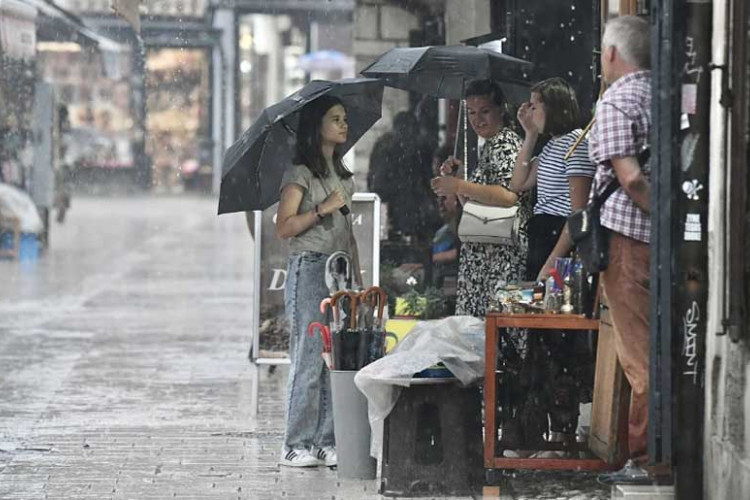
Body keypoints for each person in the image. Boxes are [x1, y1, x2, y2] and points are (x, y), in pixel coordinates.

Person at [586, 16, 659, 485]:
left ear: (612, 54)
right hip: (659, 246)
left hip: (630, 241)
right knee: (665, 347)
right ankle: (662, 451)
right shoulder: (665, 93)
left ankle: (650, 460)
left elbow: (629, 176)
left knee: (639, 357)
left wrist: (662, 220)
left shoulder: (617, 99)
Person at [506, 77, 597, 451]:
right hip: (541, 238)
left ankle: (563, 426)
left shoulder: (576, 145)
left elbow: (578, 213)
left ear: (554, 108)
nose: (530, 111)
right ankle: (541, 425)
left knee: (559, 338)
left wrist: (552, 262)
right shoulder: (553, 147)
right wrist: (528, 135)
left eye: (536, 105)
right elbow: (517, 183)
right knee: (539, 337)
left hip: (560, 246)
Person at [275, 95, 358, 468]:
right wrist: (322, 209)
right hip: (309, 266)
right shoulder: (300, 173)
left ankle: (325, 439)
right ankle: (296, 441)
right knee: (309, 354)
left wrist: (356, 274)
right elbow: (284, 227)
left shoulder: (342, 176)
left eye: (344, 119)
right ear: (317, 127)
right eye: (335, 119)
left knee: (333, 355)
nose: (343, 125)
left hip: (339, 268)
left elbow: (348, 232)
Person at [431, 79, 529, 319]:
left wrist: (459, 184)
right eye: (472, 112)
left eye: (484, 111)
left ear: (501, 109)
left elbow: (508, 196)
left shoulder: (506, 143)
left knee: (490, 334)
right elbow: (476, 209)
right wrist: (460, 181)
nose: (477, 119)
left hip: (499, 259)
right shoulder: (489, 146)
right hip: (483, 257)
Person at [367, 111, 438, 241]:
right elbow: (429, 180)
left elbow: (374, 183)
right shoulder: (419, 146)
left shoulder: (385, 145)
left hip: (400, 206)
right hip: (409, 208)